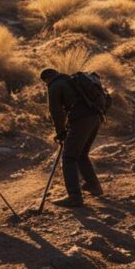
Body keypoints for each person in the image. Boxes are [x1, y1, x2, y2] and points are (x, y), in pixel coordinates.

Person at [41, 68, 102, 207]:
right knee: (81, 154)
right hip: (95, 118)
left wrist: (61, 132)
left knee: (68, 157)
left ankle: (74, 197)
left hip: (81, 121)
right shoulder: (71, 80)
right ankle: (94, 186)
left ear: (46, 79)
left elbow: (55, 111)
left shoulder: (54, 86)